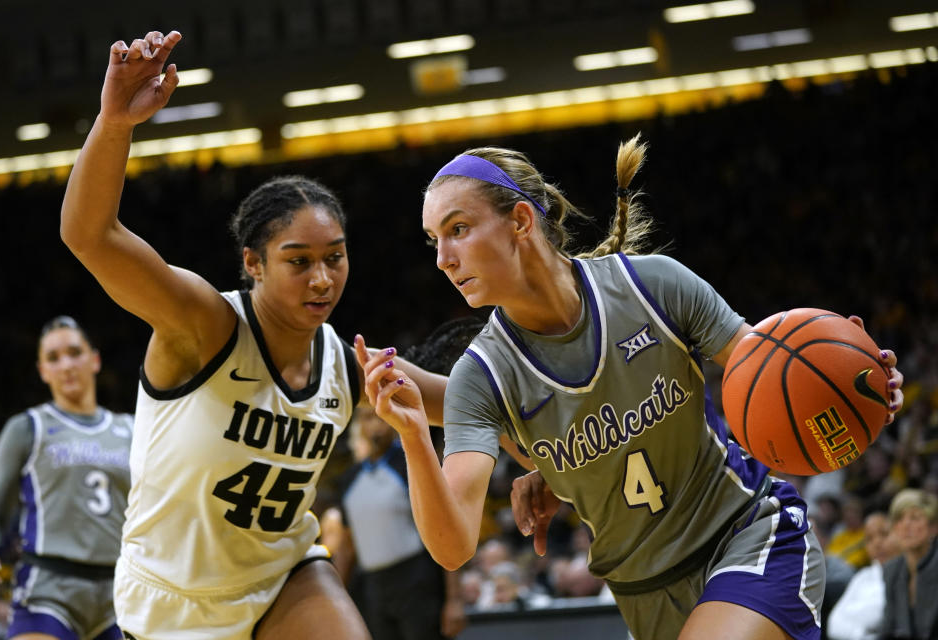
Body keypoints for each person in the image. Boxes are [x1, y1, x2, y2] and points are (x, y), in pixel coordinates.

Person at [355, 136, 905, 640]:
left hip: (745, 536)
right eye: (433, 240)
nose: (443, 259)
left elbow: (773, 364)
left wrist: (855, 383)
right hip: (643, 593)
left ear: (521, 220)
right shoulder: (483, 376)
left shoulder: (652, 285)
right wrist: (410, 434)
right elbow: (452, 548)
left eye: (458, 230)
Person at [59, 30, 447, 640]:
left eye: (336, 257)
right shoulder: (204, 325)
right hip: (170, 601)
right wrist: (113, 122)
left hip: (284, 577)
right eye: (299, 261)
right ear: (254, 263)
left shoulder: (345, 366)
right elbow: (90, 236)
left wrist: (546, 462)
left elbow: (476, 404)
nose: (322, 279)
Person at [0, 316, 132, 640]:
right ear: (42, 371)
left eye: (75, 352)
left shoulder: (133, 430)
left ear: (95, 360)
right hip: (48, 588)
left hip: (122, 592)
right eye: (53, 358)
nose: (66, 364)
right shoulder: (26, 428)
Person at [329, 407, 466, 640]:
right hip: (373, 587)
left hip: (416, 579)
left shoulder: (410, 465)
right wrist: (337, 600)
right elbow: (346, 547)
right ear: (358, 425)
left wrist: (454, 599)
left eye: (379, 418)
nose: (375, 425)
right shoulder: (349, 479)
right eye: (367, 418)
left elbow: (444, 531)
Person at [826, 511, 898, 640]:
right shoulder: (863, 576)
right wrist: (861, 634)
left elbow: (879, 614)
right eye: (869, 539)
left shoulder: (906, 575)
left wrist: (851, 615)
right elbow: (833, 623)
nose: (877, 543)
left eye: (884, 534)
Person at [880, 488, 938, 639]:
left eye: (915, 518)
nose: (906, 525)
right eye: (899, 519)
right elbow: (888, 629)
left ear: (933, 527)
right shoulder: (891, 570)